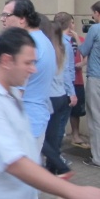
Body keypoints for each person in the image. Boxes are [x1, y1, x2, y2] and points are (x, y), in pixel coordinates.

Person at [0, 27, 100, 199]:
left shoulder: (11, 92)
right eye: (28, 63)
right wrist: (75, 192)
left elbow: (22, 145)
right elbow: (14, 163)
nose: (33, 69)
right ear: (6, 61)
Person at [1, 0, 56, 151]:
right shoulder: (42, 40)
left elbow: (17, 90)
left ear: (22, 20)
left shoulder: (27, 45)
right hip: (35, 118)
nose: (2, 19)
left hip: (25, 122)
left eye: (6, 15)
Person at [39, 15, 77, 179]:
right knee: (53, 136)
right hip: (61, 95)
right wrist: (72, 93)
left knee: (39, 136)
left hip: (49, 98)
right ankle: (51, 169)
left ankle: (58, 166)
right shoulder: (62, 47)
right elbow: (68, 73)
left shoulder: (44, 49)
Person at [79, 0, 100, 168]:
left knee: (95, 119)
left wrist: (74, 37)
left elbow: (83, 50)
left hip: (96, 78)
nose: (92, 16)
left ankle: (97, 158)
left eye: (93, 13)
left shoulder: (95, 29)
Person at [66, 14, 90, 149]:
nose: (71, 26)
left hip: (78, 79)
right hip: (65, 81)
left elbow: (86, 54)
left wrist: (81, 64)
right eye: (69, 23)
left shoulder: (80, 39)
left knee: (77, 110)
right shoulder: (60, 40)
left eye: (73, 23)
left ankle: (76, 134)